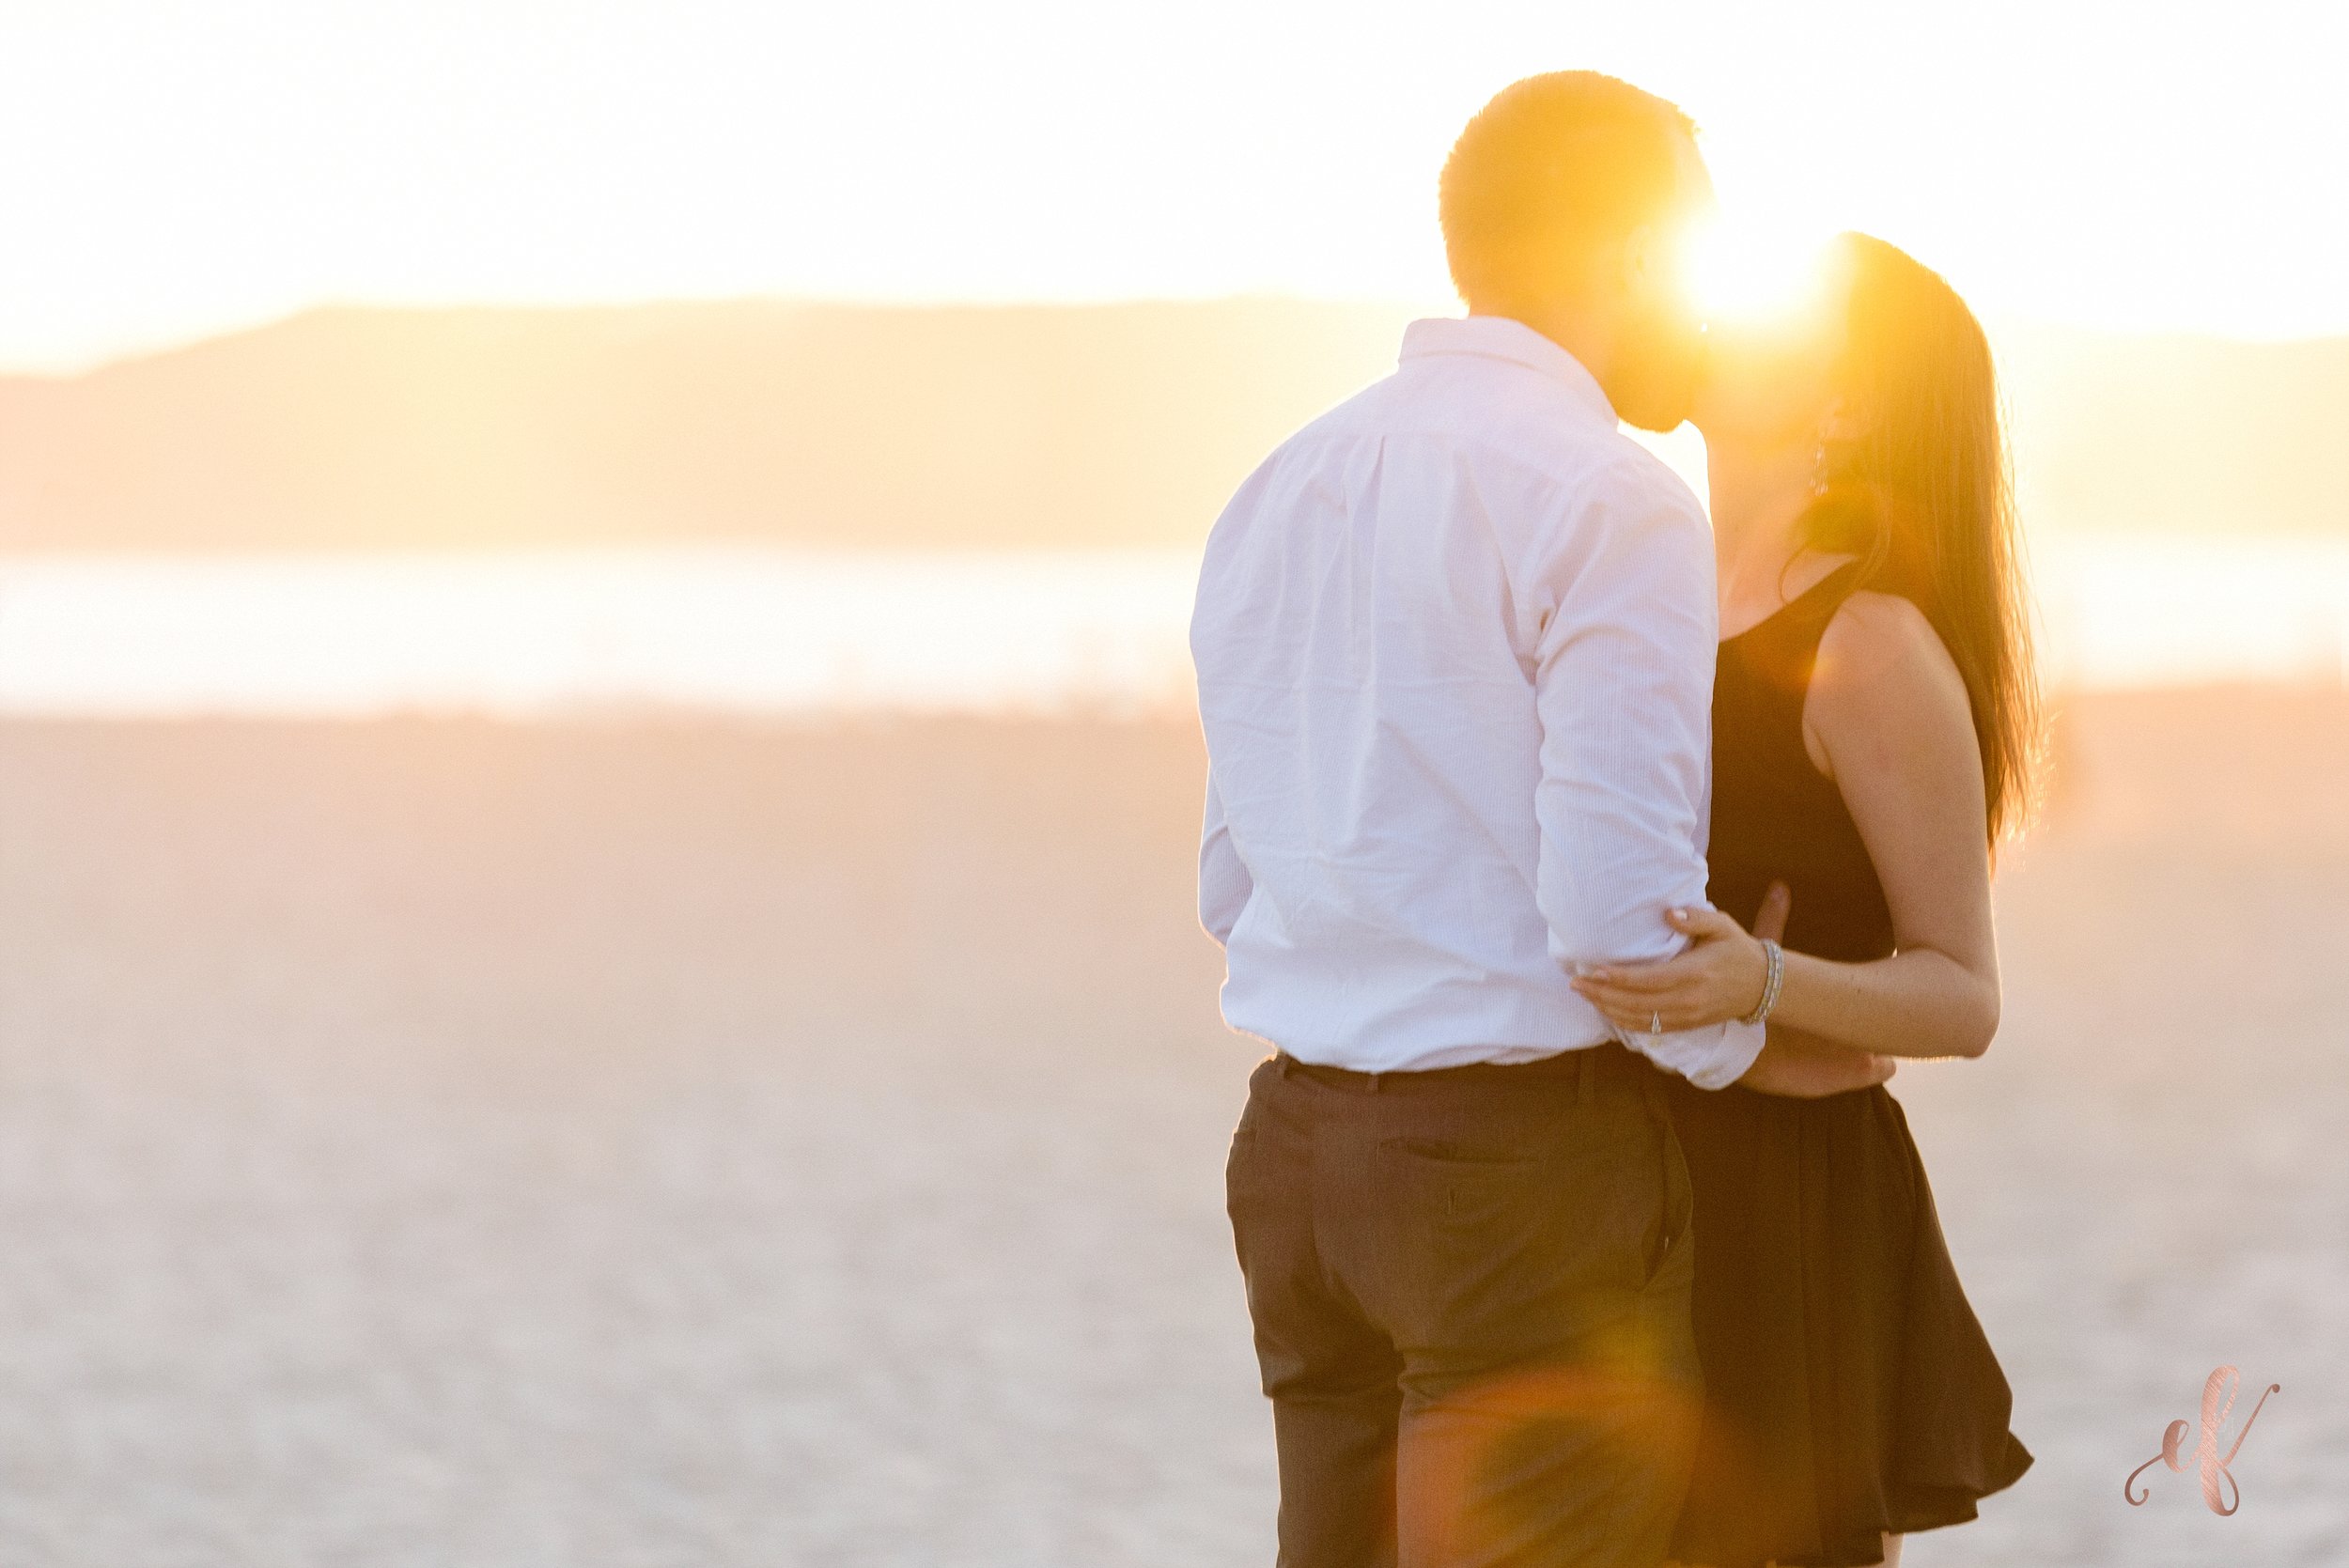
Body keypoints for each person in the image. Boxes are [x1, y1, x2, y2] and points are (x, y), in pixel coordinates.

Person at [1190, 72, 1889, 1568]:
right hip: (1510, 1190)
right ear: (1633, 254)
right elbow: (1613, 922)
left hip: (1298, 1162)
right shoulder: (1611, 497)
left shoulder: (1278, 483)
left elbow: (1228, 879)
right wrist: (1779, 1043)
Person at [1571, 233, 2037, 1566]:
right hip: (1611, 1167)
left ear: (1846, 404)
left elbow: (1964, 992)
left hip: (1783, 1199)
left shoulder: (1868, 643)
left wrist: (1761, 991)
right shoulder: (1643, 598)